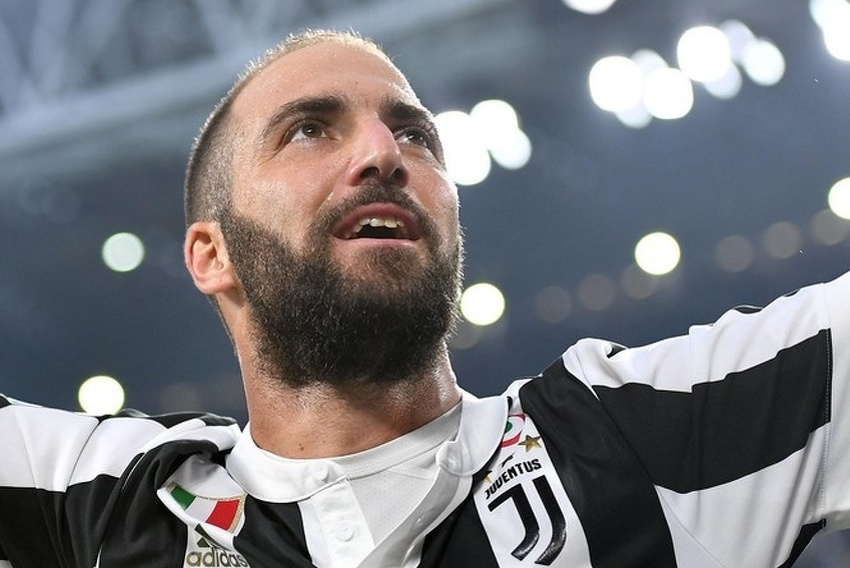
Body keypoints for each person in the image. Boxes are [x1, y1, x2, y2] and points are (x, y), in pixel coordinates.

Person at [0, 28, 848, 568]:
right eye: (309, 129)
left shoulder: (637, 442)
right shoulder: (115, 498)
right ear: (211, 253)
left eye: (414, 133)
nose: (383, 151)